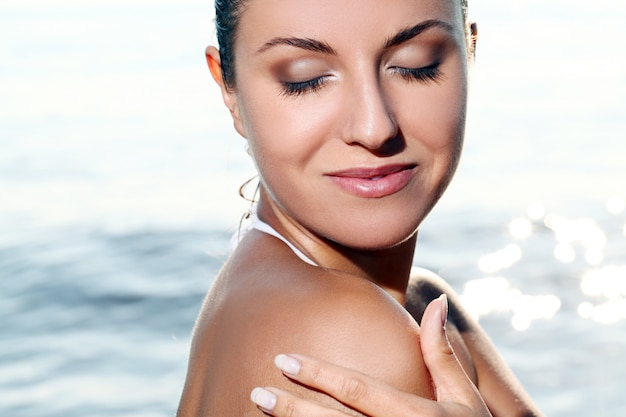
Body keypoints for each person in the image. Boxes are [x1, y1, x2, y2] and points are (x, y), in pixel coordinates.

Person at [177, 0, 544, 416]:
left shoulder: (428, 307)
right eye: (306, 79)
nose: (374, 128)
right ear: (230, 89)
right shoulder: (349, 337)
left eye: (415, 64)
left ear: (470, 52)